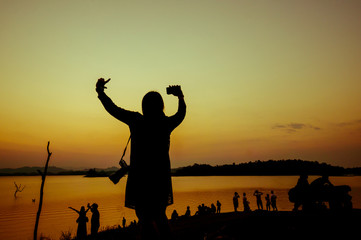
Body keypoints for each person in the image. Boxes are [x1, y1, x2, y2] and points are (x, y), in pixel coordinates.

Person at [96, 78, 186, 240]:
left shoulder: (137, 120)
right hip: (160, 178)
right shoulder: (165, 123)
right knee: (159, 216)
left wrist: (101, 92)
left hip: (140, 179)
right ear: (161, 106)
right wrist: (180, 97)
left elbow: (113, 109)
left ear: (144, 106)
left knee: (145, 218)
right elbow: (181, 114)